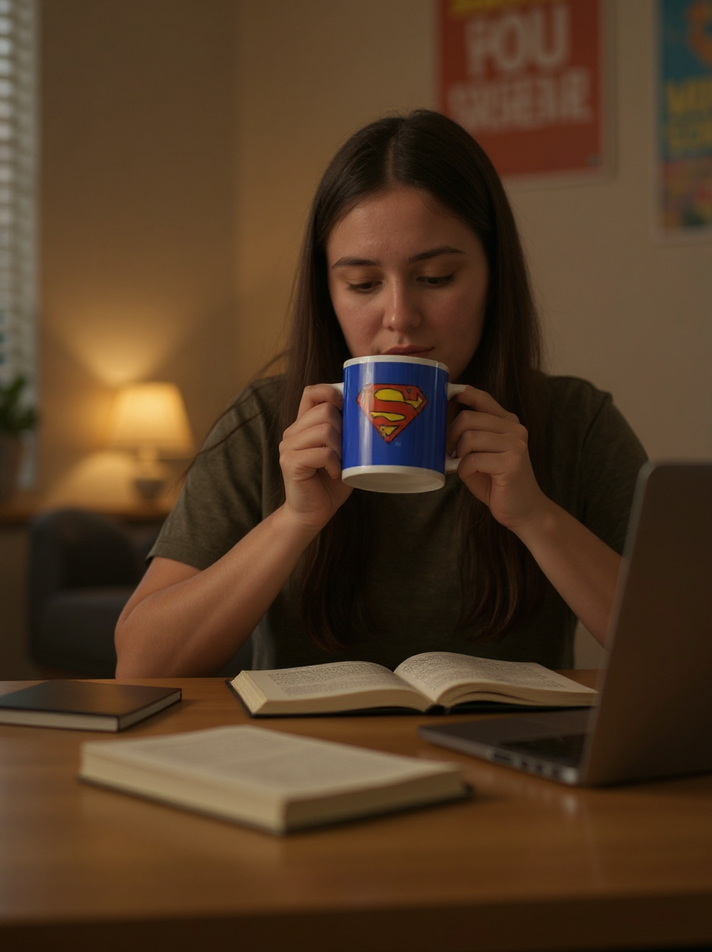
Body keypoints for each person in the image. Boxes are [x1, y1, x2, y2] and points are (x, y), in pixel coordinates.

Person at [115, 109, 647, 678]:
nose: (399, 318)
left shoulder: (576, 424)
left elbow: (684, 650)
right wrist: (292, 522)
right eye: (363, 285)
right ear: (329, 295)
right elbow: (141, 665)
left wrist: (536, 518)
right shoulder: (264, 425)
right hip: (306, 764)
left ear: (493, 278)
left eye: (437, 277)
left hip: (509, 762)